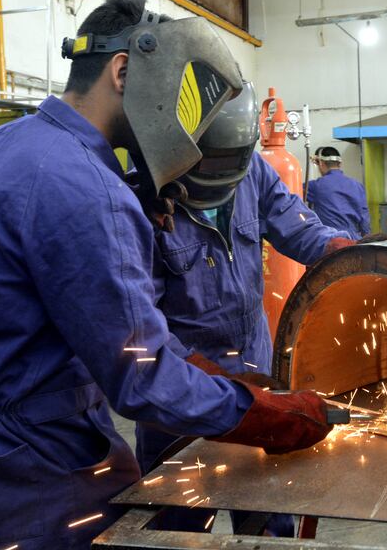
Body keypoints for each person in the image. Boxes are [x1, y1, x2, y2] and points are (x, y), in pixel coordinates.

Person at [0, 0, 332, 550]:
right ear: (124, 70)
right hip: (19, 470)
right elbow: (143, 380)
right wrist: (265, 414)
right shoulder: (88, 189)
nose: (185, 133)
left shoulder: (2, 144)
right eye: (183, 108)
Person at [134, 83, 353, 534]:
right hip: (183, 378)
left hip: (254, 361)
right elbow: (140, 327)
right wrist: (204, 381)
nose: (224, 174)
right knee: (178, 519)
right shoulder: (139, 198)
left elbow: (298, 228)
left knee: (268, 510)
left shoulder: (251, 169)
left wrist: (345, 253)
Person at [306, 146, 370, 239]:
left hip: (329, 240)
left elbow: (290, 189)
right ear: (340, 164)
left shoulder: (316, 186)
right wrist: (366, 239)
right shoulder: (358, 186)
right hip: (354, 240)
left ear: (320, 163)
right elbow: (364, 218)